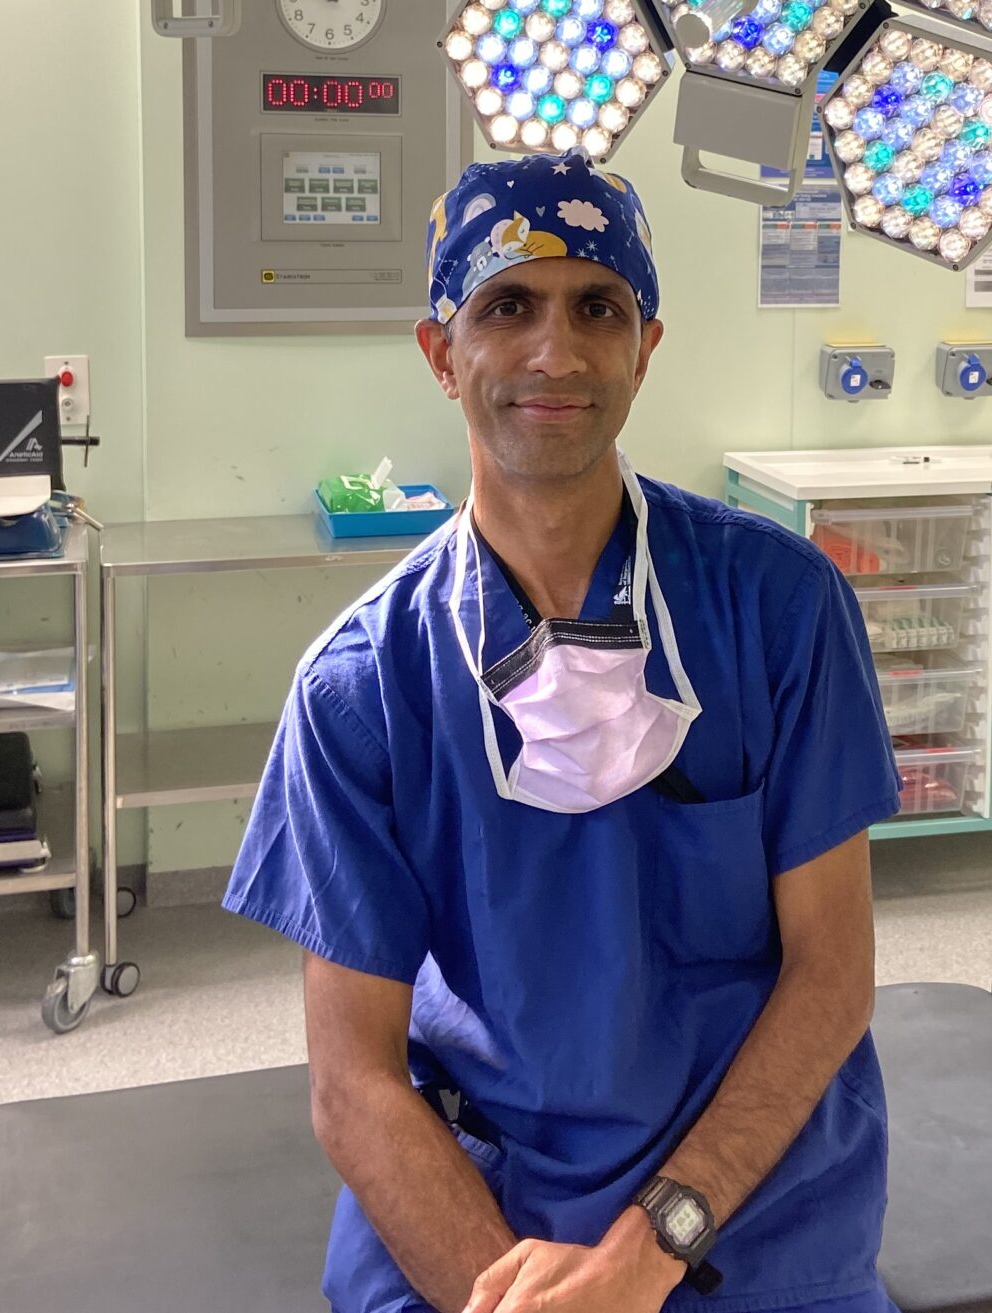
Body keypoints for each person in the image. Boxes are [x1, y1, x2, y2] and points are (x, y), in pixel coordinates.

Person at [224, 151, 902, 1313]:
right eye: (507, 306)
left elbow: (831, 976)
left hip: (752, 1199)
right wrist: (510, 1292)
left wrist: (649, 1248)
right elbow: (354, 1081)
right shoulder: (360, 687)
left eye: (599, 306)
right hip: (484, 1191)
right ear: (443, 353)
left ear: (645, 345)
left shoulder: (779, 608)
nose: (556, 350)